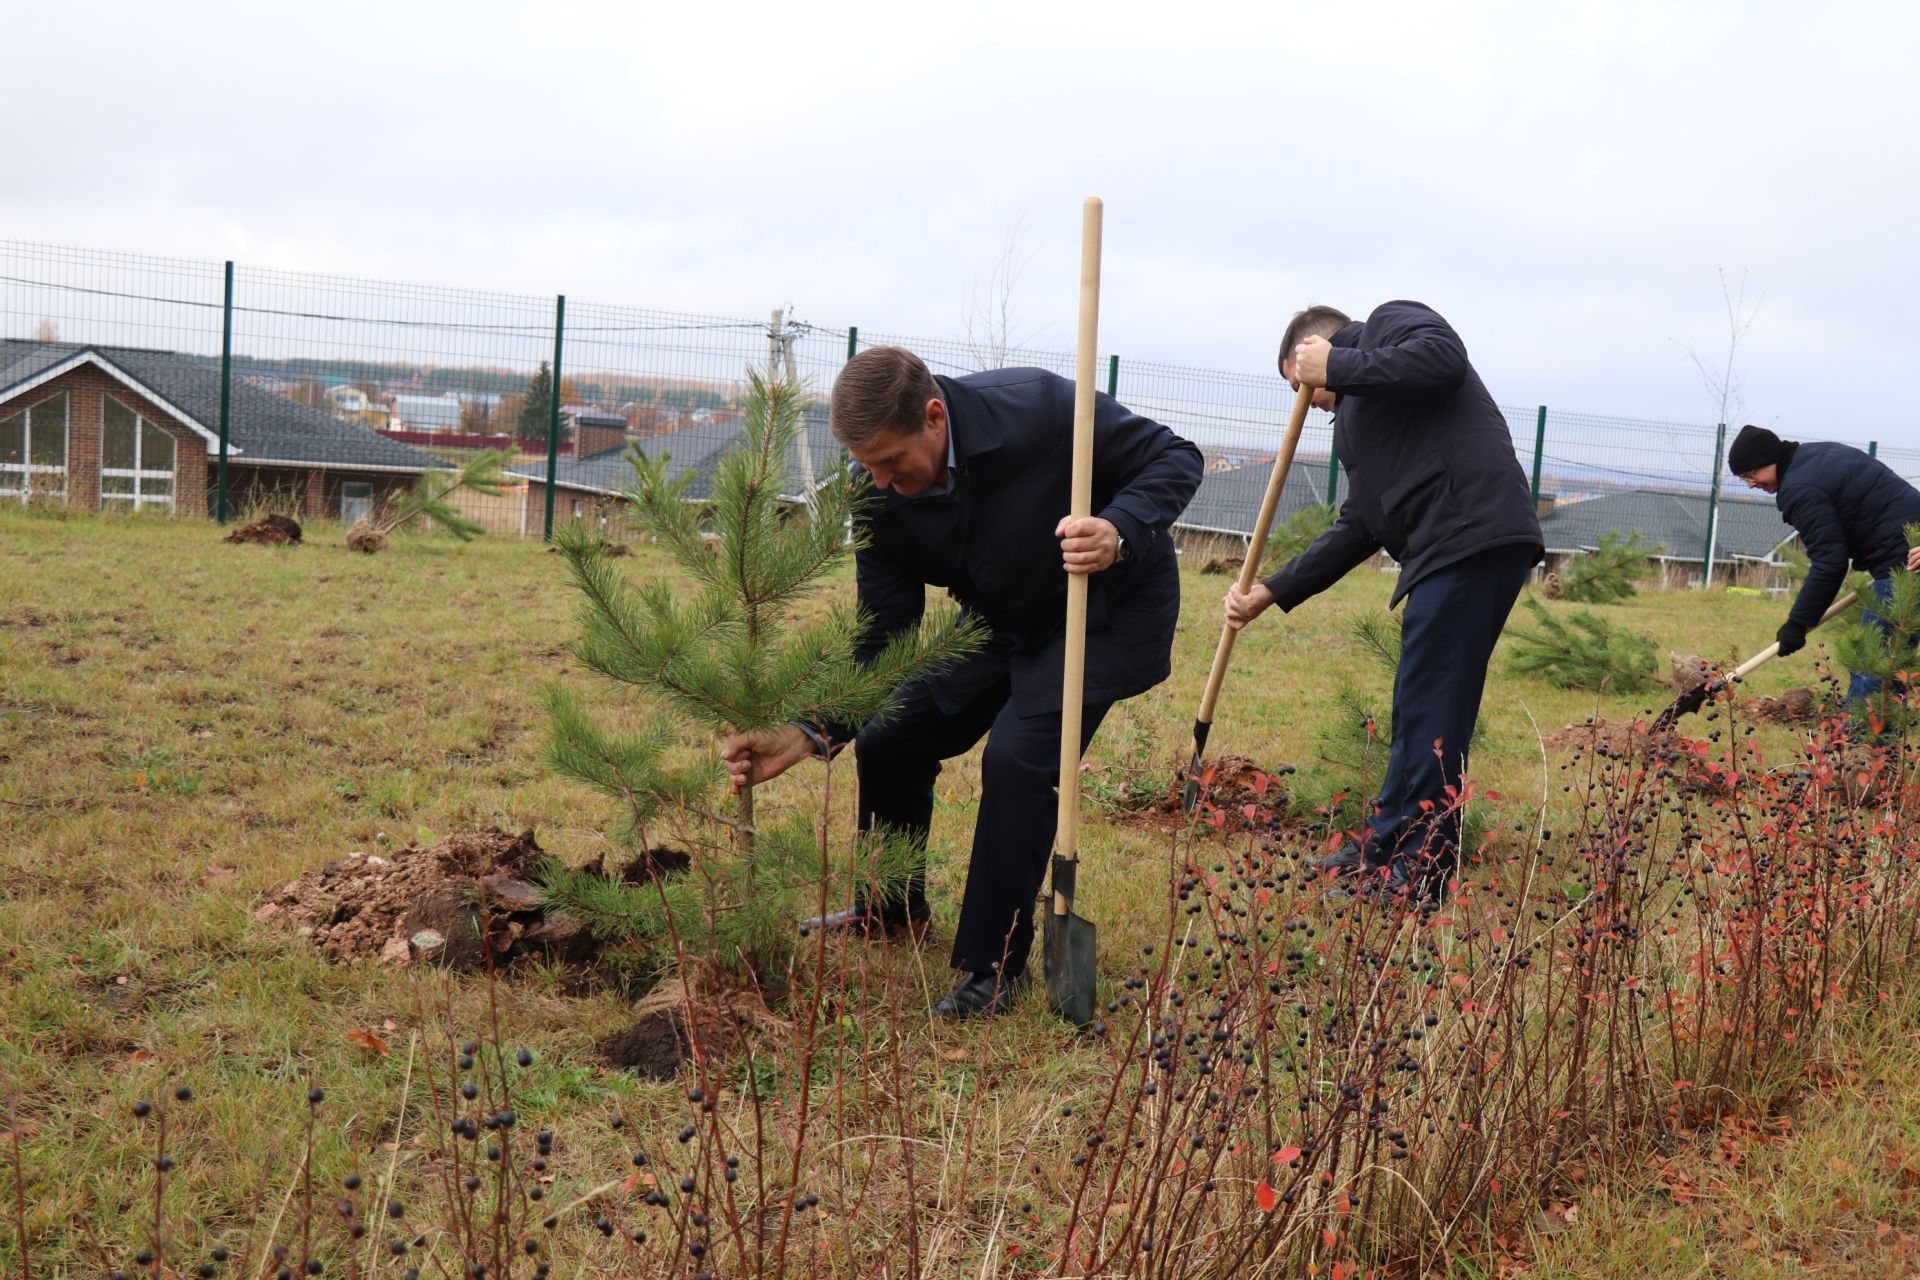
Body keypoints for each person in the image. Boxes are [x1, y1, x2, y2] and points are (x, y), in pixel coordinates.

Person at [722, 346, 1203, 1018]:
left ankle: (992, 969)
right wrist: (811, 730)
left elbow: (1176, 456)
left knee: (1018, 758)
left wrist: (1118, 529)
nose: (882, 481)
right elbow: (885, 632)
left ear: (934, 416)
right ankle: (891, 911)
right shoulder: (875, 494)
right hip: (1004, 617)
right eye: (867, 467)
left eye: (893, 462)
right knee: (891, 734)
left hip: (1100, 611)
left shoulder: (1039, 409)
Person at [1223, 302, 1543, 900]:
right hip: (1443, 554)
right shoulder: (1358, 421)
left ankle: (1419, 877)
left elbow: (1443, 361)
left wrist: (1337, 362)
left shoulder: (1389, 324)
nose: (1311, 401)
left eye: (1302, 386)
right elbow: (1360, 525)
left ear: (1312, 350)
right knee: (1415, 710)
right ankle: (1384, 846)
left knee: (1435, 717)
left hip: (1472, 536)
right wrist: (1270, 591)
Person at [1729, 424, 1920, 708]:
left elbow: (1829, 563)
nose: (1752, 484)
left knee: (1872, 665)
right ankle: (1885, 744)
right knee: (1890, 665)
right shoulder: (1815, 456)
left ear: (1768, 460)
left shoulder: (1800, 488)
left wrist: (1797, 623)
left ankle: (1862, 750)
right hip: (1901, 555)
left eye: (1752, 474)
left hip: (1905, 565)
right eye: (1744, 478)